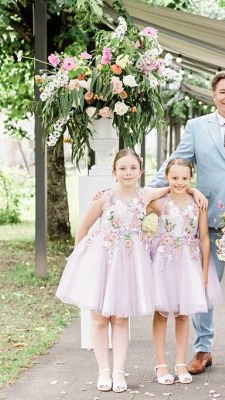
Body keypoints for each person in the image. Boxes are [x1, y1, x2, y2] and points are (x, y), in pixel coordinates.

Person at [150, 71, 225, 375]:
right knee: (202, 287)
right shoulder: (196, 127)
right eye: (222, 92)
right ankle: (203, 349)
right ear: (213, 95)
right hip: (208, 224)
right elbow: (176, 162)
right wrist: (143, 192)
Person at [56, 149, 171, 393]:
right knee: (99, 317)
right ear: (114, 172)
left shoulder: (146, 194)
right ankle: (103, 370)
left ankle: (119, 371)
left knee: (120, 317)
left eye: (133, 168)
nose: (128, 172)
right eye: (122, 168)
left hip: (129, 263)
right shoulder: (104, 198)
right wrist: (79, 260)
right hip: (102, 261)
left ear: (140, 171)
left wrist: (193, 190)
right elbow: (84, 227)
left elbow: (172, 187)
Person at [148, 158, 223, 385]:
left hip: (188, 262)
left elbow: (204, 237)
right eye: (174, 178)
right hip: (164, 262)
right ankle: (161, 364)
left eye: (184, 178)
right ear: (167, 178)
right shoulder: (159, 202)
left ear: (191, 178)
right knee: (161, 312)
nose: (179, 182)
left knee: (183, 313)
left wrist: (205, 270)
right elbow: (137, 202)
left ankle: (181, 363)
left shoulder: (197, 202)